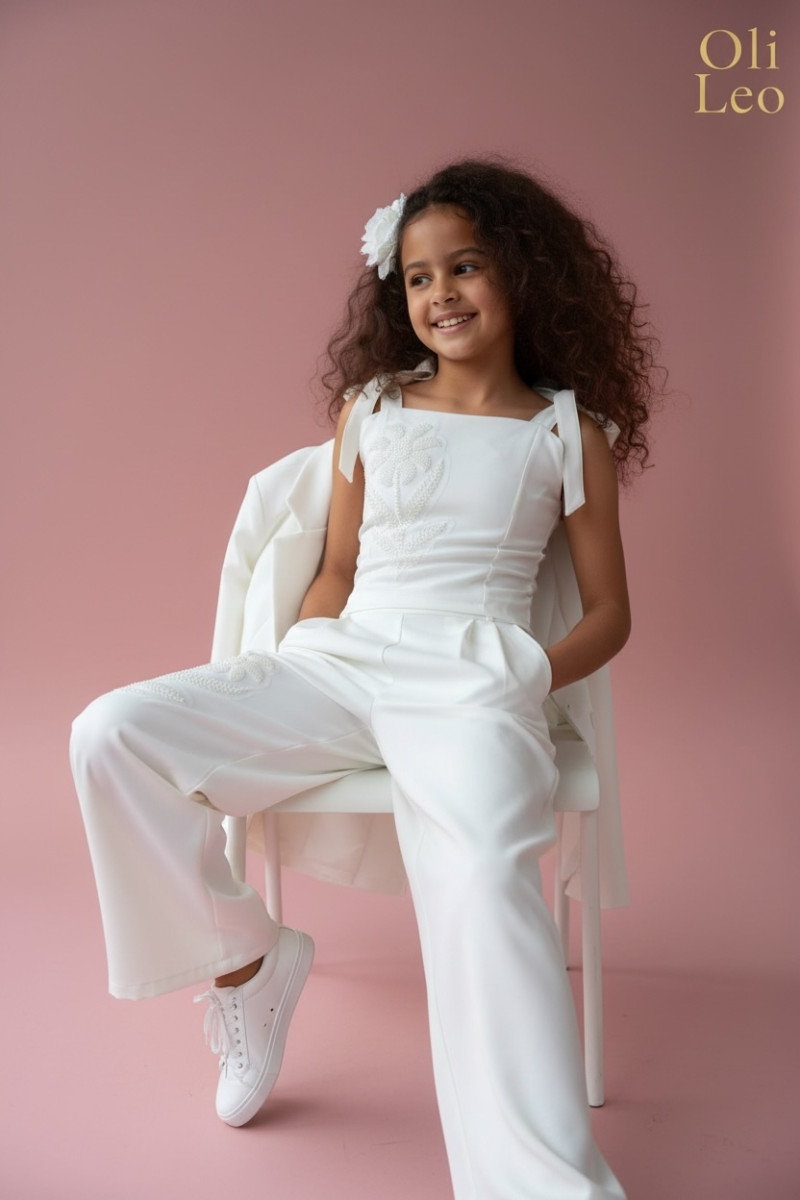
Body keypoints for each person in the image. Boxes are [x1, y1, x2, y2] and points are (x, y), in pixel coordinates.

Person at [71, 158, 659, 1199]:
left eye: (465, 267)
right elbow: (339, 569)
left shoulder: (567, 432)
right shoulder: (372, 408)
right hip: (340, 663)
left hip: (474, 680)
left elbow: (609, 613)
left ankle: (541, 1181)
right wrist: (298, 656)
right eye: (419, 278)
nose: (441, 295)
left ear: (523, 272)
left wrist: (523, 674)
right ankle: (248, 960)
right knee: (110, 733)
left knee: (486, 880)